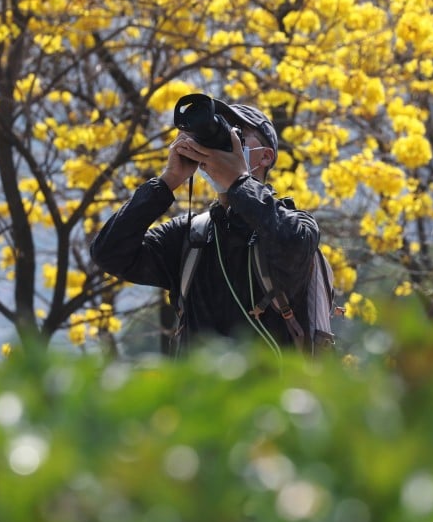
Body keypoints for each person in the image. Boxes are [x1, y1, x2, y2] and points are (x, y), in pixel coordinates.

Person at [90, 96, 320, 356]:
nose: (223, 143)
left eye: (237, 134)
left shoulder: (295, 224)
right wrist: (168, 180)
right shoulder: (190, 236)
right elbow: (108, 254)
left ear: (265, 157)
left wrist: (239, 183)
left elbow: (292, 242)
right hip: (197, 396)